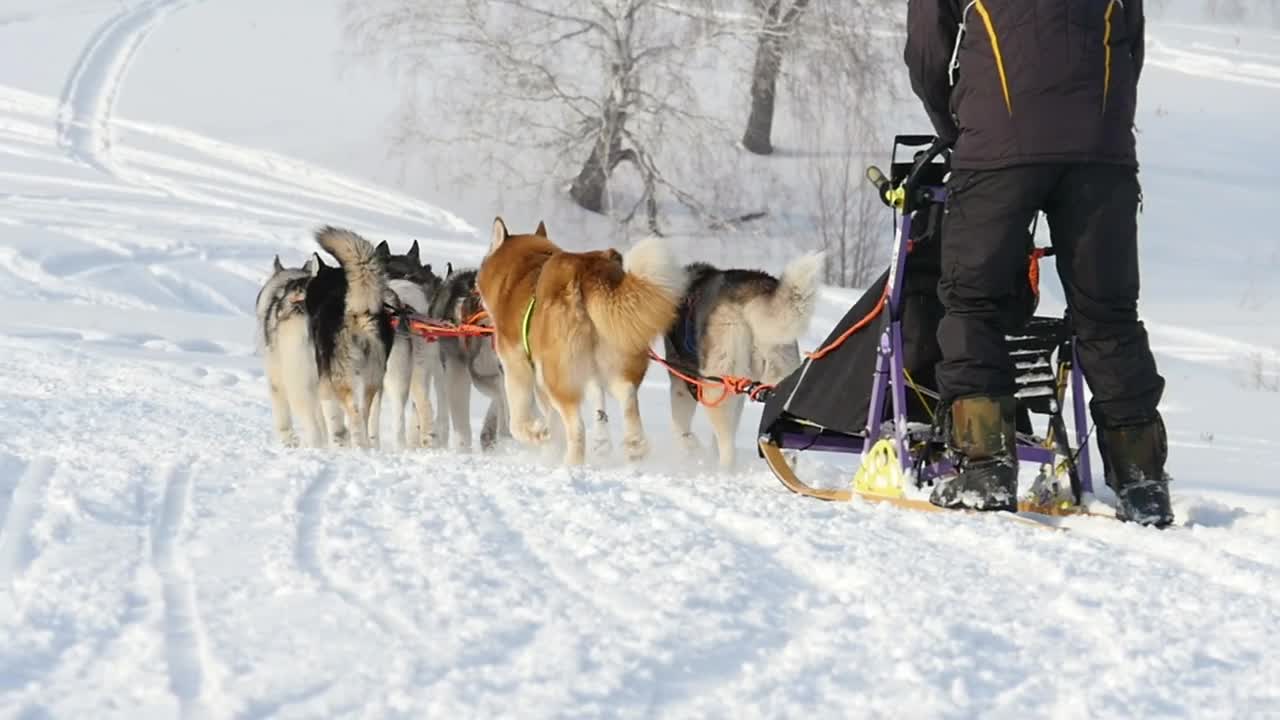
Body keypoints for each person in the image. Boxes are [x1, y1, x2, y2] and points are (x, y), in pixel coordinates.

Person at [903, 0, 1174, 526]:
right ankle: (1143, 484)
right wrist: (1107, 118)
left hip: (997, 146)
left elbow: (926, 54)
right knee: (1108, 314)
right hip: (1102, 151)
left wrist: (959, 127)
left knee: (971, 303)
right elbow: (1131, 44)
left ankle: (985, 468)